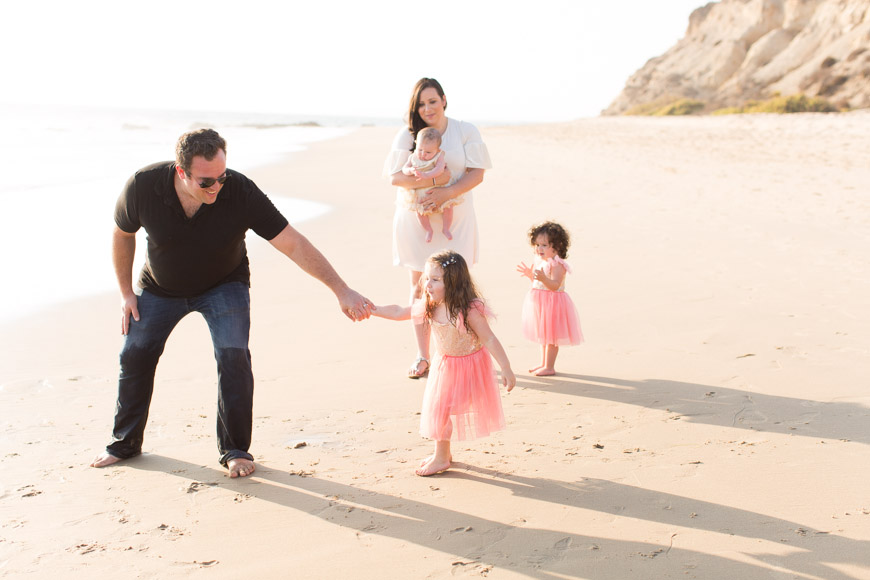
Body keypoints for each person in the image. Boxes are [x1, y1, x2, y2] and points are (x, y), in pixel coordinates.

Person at [90, 128, 373, 478]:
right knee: (134, 352)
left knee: (233, 354)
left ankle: (235, 450)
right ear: (181, 172)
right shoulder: (143, 186)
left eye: (221, 177)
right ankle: (124, 444)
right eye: (207, 182)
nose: (217, 187)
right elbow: (122, 233)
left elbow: (293, 243)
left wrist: (341, 289)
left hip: (224, 284)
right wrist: (125, 293)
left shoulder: (239, 191)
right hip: (160, 287)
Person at [384, 77, 492, 380]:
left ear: (444, 100)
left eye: (432, 101)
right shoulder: (407, 136)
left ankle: (467, 350)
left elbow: (477, 174)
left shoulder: (466, 130)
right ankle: (423, 355)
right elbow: (395, 177)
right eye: (421, 103)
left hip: (455, 217)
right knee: (420, 287)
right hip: (415, 218)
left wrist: (447, 192)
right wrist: (433, 183)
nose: (427, 108)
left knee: (459, 286)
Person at [372, 250, 515, 476]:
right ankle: (443, 454)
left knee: (442, 409)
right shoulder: (430, 304)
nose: (427, 284)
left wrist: (505, 367)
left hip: (469, 368)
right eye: (427, 278)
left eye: (436, 280)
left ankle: (441, 457)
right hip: (445, 366)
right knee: (439, 409)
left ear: (454, 282)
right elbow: (400, 312)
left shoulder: (468, 310)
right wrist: (373, 310)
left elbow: (489, 338)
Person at [516, 221, 584, 376]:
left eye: (545, 245)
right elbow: (539, 283)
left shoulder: (557, 265)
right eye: (537, 245)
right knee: (543, 335)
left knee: (551, 336)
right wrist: (530, 275)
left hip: (553, 304)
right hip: (541, 303)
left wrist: (543, 279)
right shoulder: (542, 262)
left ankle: (550, 366)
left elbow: (554, 285)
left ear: (557, 246)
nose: (540, 249)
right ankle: (543, 363)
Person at [400, 127, 460, 243]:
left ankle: (446, 228)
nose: (423, 154)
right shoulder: (412, 157)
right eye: (420, 149)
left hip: (439, 189)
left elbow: (439, 170)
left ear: (437, 150)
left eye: (428, 152)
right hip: (421, 193)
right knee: (420, 212)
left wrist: (427, 175)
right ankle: (428, 230)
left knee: (448, 207)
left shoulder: (439, 156)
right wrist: (411, 170)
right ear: (416, 144)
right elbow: (404, 169)